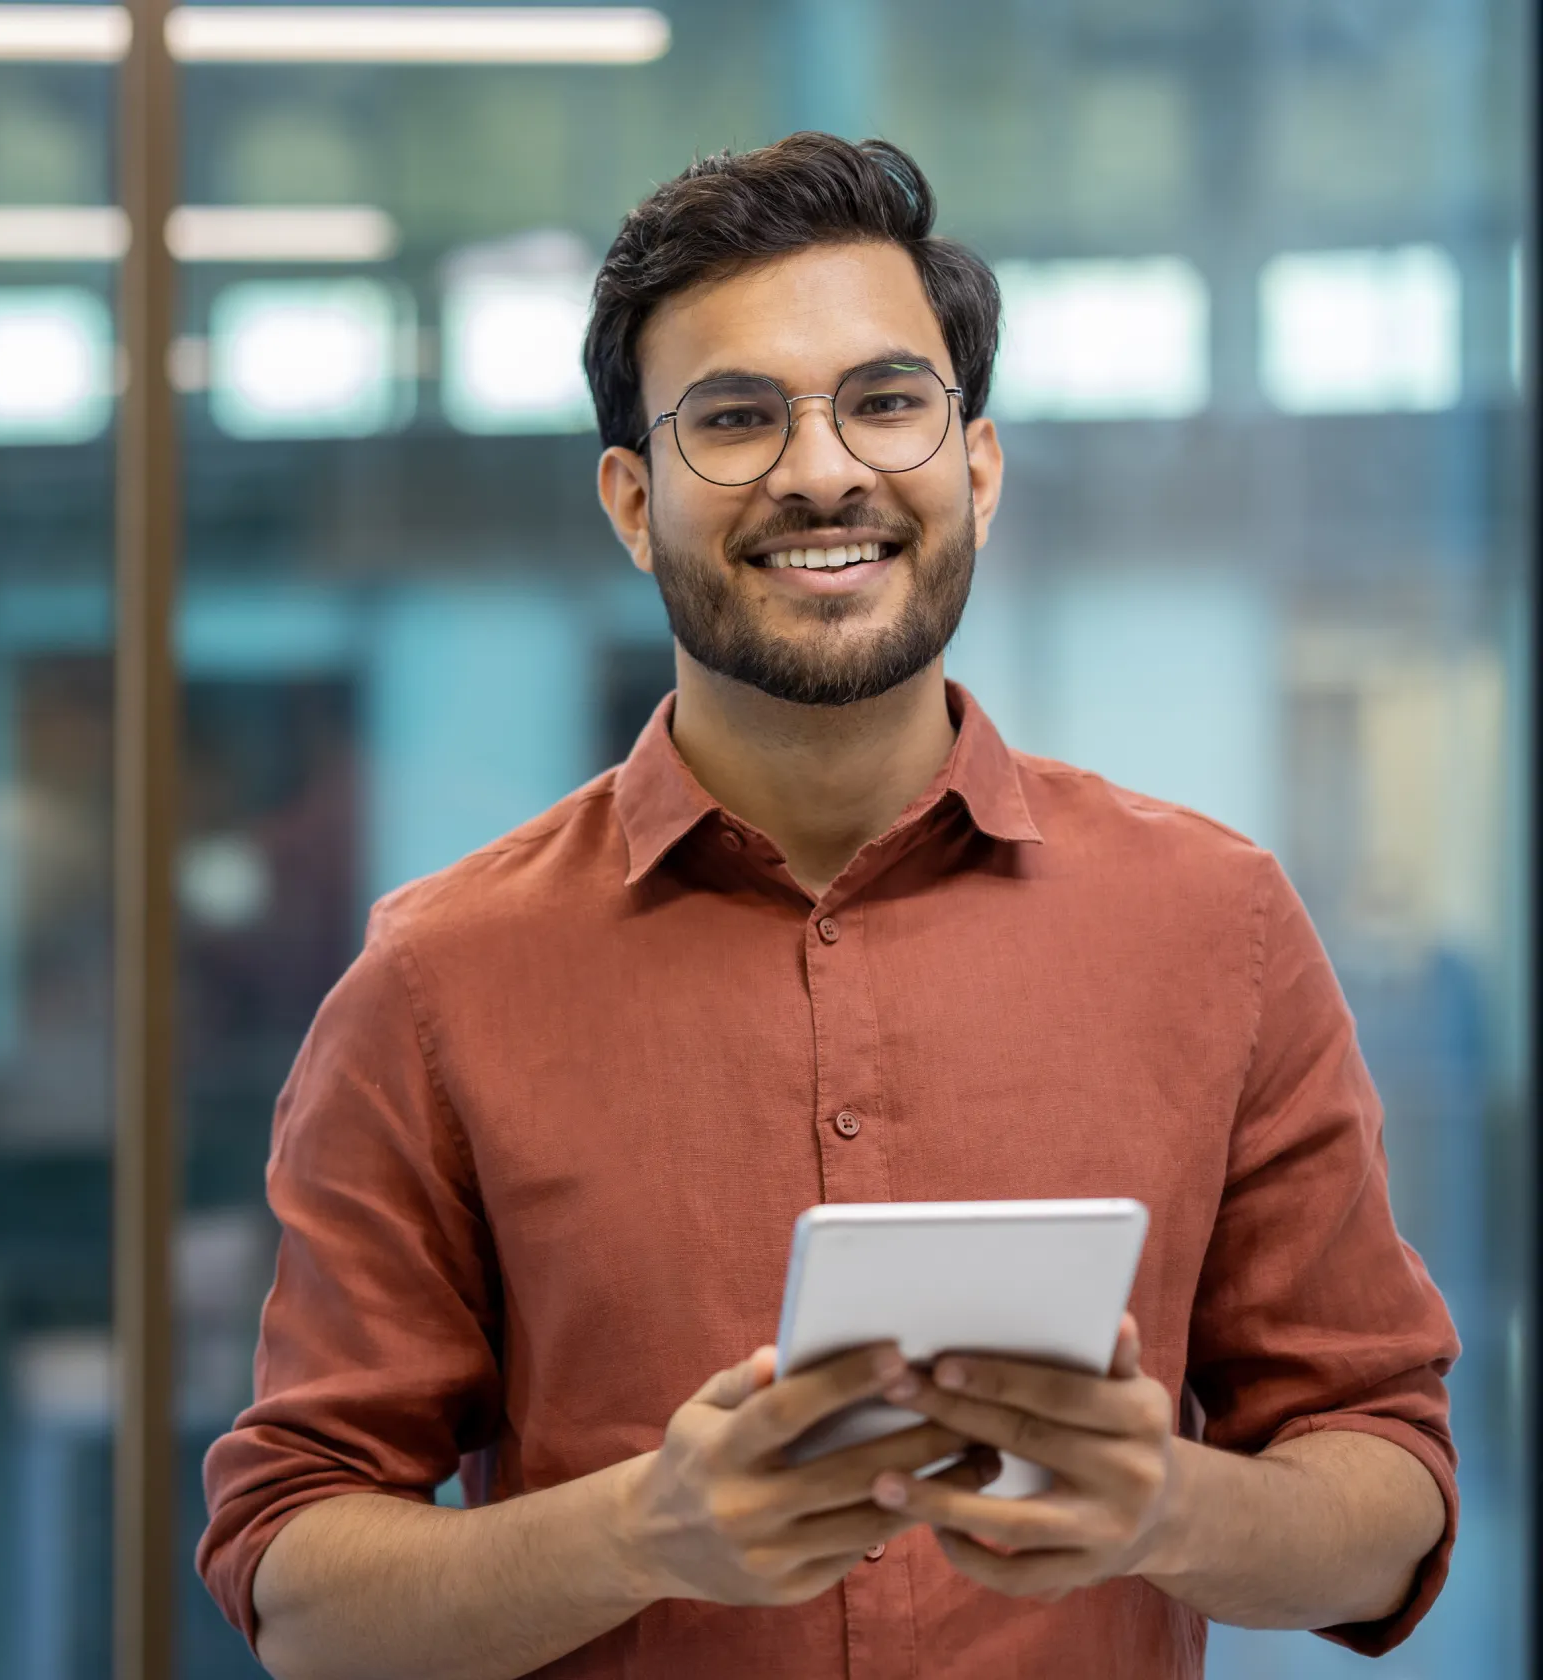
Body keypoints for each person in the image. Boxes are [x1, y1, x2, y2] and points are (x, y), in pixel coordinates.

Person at [197, 134, 1458, 1679]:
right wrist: (644, 1532)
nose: (821, 469)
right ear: (628, 499)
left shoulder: (1220, 925)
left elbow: (1390, 1495)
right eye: (734, 419)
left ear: (976, 470)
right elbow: (299, 1591)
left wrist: (1159, 1506)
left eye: (885, 402)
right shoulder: (437, 979)